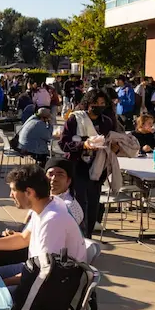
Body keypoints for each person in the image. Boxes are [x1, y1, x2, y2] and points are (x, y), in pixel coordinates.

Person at [0, 165, 87, 285]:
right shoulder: (46, 204)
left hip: (55, 286)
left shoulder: (52, 220)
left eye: (13, 190)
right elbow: (23, 238)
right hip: (35, 270)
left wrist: (2, 283)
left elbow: (45, 272)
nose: (10, 195)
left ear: (29, 192)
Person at [60, 89, 115, 238]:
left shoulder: (107, 122)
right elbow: (63, 143)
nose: (99, 106)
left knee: (93, 205)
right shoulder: (75, 119)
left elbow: (112, 141)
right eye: (95, 103)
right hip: (77, 166)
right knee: (78, 204)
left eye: (102, 103)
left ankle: (88, 237)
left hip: (97, 169)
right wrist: (83, 145)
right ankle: (76, 238)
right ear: (88, 103)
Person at [45, 157, 85, 228]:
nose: (54, 179)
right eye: (50, 174)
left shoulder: (68, 207)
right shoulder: (42, 200)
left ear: (68, 180)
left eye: (60, 175)